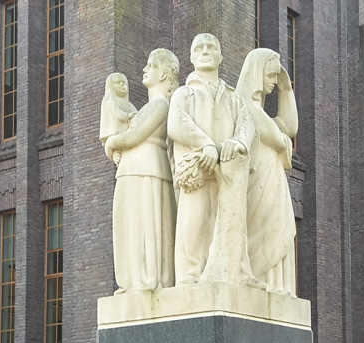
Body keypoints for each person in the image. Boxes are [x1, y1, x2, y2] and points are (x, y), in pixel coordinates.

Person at [168, 33, 257, 286]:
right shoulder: (184, 94)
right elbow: (176, 124)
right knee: (193, 222)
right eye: (199, 48)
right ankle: (189, 275)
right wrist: (206, 144)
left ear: (220, 56)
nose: (205, 51)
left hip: (226, 174)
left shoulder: (232, 96)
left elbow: (246, 125)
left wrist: (238, 143)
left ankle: (232, 271)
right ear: (192, 56)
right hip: (197, 169)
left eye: (211, 47)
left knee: (227, 221)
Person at [103, 50, 179, 292]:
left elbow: (135, 136)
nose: (144, 70)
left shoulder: (161, 106)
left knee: (147, 226)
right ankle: (133, 282)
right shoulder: (146, 107)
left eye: (150, 65)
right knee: (130, 227)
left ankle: (148, 279)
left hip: (148, 170)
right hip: (132, 170)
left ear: (164, 73)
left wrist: (112, 143)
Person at [236, 48, 298, 295]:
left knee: (277, 227)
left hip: (272, 176)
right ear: (257, 73)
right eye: (271, 76)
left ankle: (277, 287)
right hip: (258, 175)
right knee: (265, 228)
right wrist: (282, 140)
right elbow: (278, 137)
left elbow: (290, 127)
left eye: (275, 76)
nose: (273, 81)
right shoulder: (245, 104)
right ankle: (266, 284)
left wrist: (287, 89)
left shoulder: (259, 111)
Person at [99, 73, 137, 165]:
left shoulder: (127, 104)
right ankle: (112, 153)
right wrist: (127, 116)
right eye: (118, 82)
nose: (121, 84)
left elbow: (136, 112)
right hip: (113, 132)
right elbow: (116, 112)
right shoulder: (109, 98)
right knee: (112, 146)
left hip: (125, 136)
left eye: (124, 83)